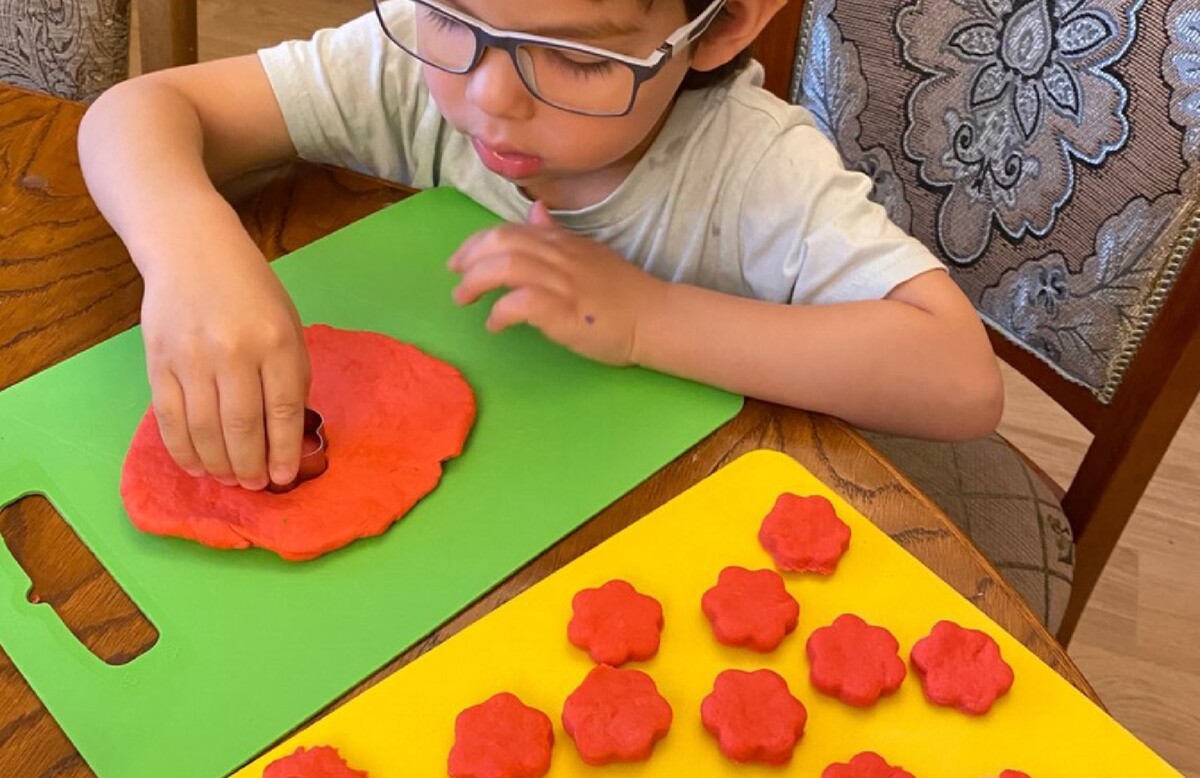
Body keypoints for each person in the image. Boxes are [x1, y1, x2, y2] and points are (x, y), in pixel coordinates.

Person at [77, 0, 1004, 492]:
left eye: (580, 58)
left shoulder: (753, 169)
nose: (490, 97)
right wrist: (190, 252)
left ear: (719, 24)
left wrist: (646, 319)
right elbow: (140, 112)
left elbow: (959, 378)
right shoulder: (411, 56)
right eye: (452, 15)